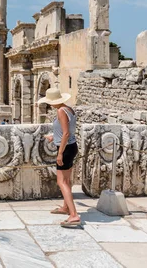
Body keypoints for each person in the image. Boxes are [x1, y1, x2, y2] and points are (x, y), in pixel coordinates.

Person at [38, 87, 80, 228]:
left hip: (66, 148)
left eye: (50, 102)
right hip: (72, 146)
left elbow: (66, 133)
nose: (50, 105)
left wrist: (60, 153)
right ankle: (65, 207)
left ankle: (73, 215)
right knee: (67, 181)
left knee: (61, 181)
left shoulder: (60, 111)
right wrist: (53, 137)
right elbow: (67, 131)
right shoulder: (69, 109)